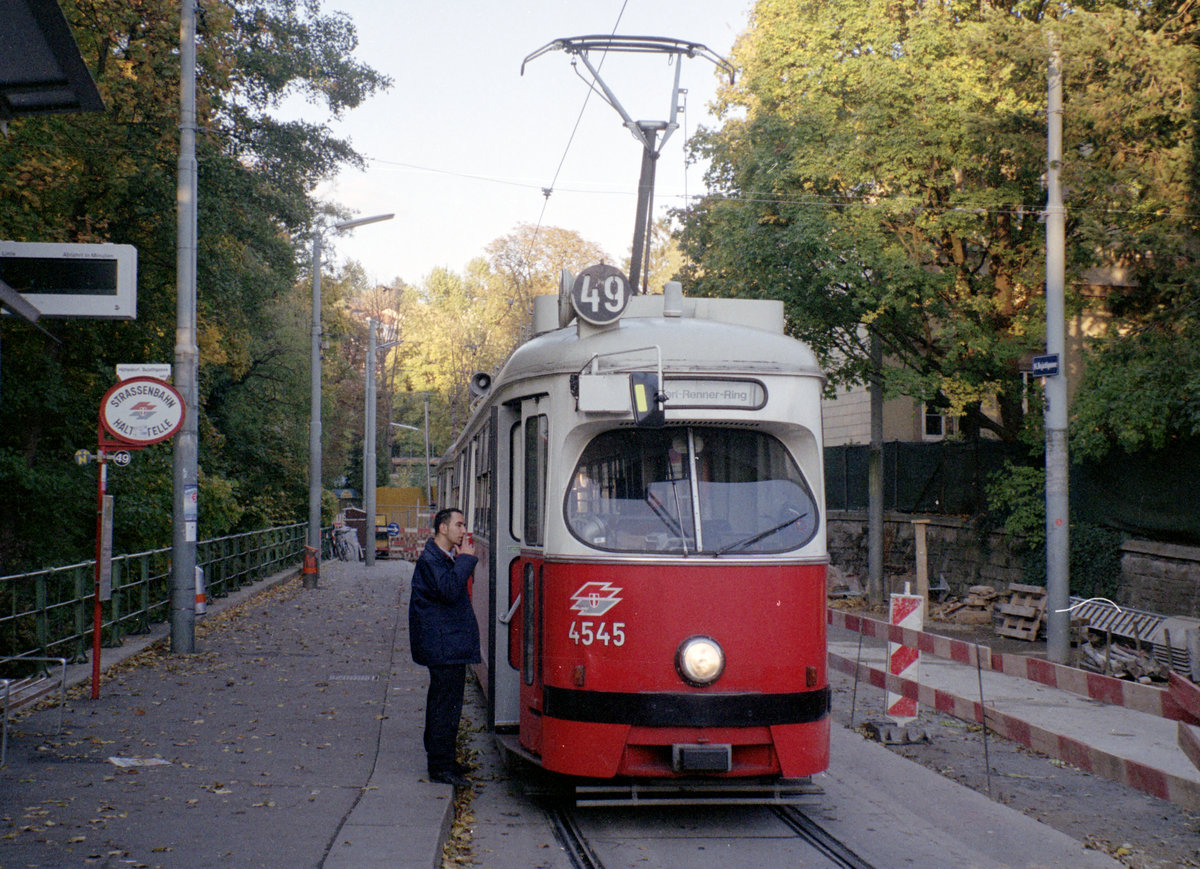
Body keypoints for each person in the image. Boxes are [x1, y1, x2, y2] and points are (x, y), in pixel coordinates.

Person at [408, 507, 480, 787]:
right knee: (444, 705)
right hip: (442, 645)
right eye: (459, 525)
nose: (463, 531)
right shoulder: (432, 559)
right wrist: (468, 560)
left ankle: (444, 759)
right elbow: (449, 590)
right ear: (442, 528)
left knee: (448, 703)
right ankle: (439, 766)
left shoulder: (442, 557)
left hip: (447, 643)